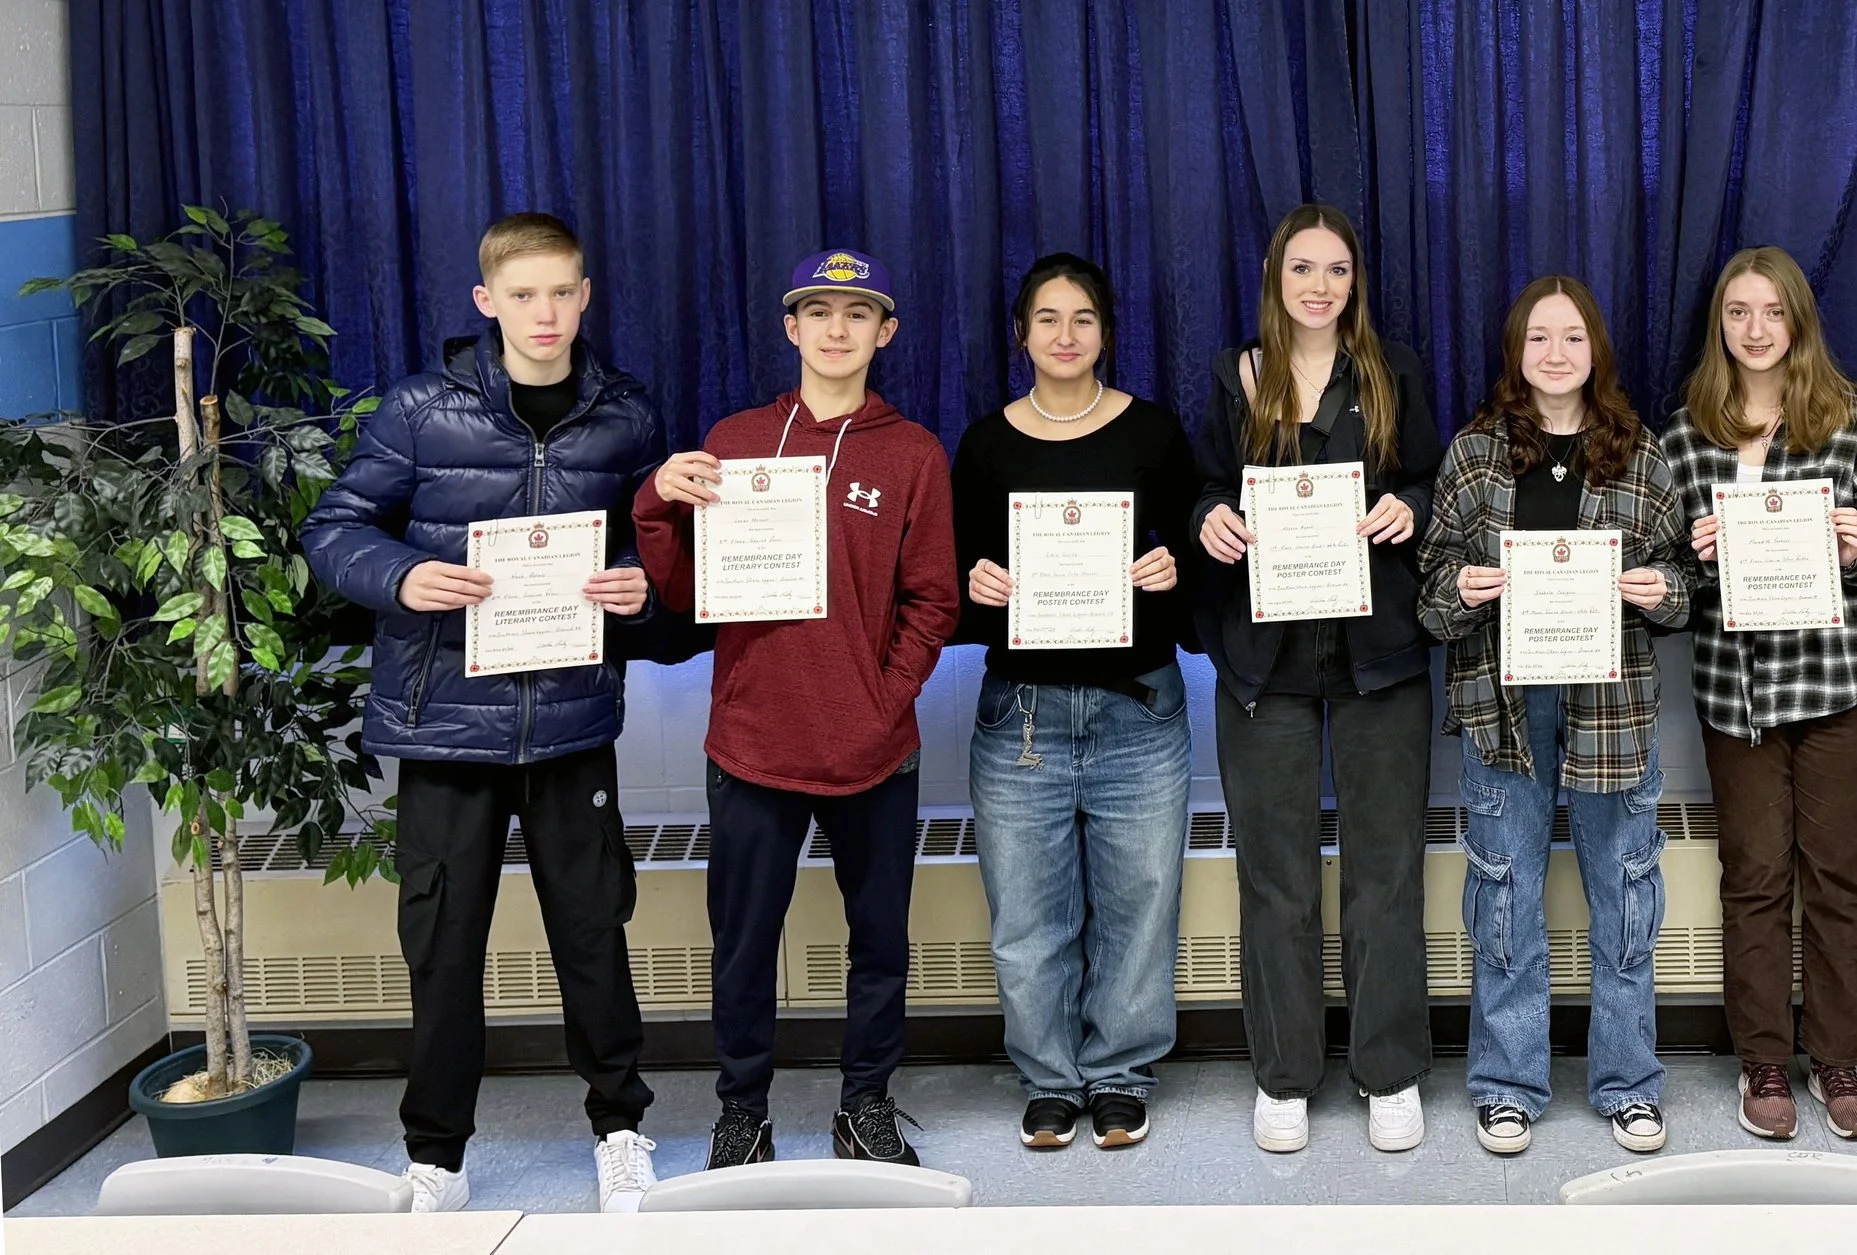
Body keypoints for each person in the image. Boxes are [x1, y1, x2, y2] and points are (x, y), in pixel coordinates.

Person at [303, 212, 667, 1213]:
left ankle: (622, 1129)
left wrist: (641, 585)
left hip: (571, 726)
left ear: (585, 295)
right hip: (443, 727)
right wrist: (405, 573)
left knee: (593, 935)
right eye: (523, 296)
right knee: (444, 943)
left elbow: (658, 552)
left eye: (562, 293)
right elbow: (331, 527)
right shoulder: (421, 410)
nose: (544, 314)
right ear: (485, 302)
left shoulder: (627, 413)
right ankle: (437, 1156)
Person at [634, 248, 958, 1169]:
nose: (836, 329)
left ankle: (865, 1105)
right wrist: (655, 504)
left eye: (857, 316)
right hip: (752, 744)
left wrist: (881, 695)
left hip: (873, 749)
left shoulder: (913, 453)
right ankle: (743, 1113)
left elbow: (934, 600)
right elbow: (693, 591)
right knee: (741, 948)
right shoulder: (734, 443)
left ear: (885, 332)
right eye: (818, 313)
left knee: (880, 944)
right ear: (791, 328)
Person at [1417, 276, 1690, 1156]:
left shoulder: (1641, 454)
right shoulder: (1473, 454)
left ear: (1596, 349)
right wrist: (1459, 587)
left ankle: (1628, 1083)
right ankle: (1508, 1082)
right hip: (1503, 703)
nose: (1557, 353)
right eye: (1539, 337)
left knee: (1627, 892)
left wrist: (1661, 592)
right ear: (1515, 352)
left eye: (1573, 337)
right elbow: (1428, 589)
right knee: (1503, 891)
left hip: (1613, 706)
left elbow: (1686, 581)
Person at [1192, 203, 1443, 1154]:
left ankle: (1388, 1070)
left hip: (1378, 657)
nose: (1320, 286)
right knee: (1278, 880)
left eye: (1337, 270)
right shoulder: (1236, 374)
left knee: (1385, 873)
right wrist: (1210, 519)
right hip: (1269, 665)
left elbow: (1432, 479)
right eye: (1304, 268)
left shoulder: (1393, 371)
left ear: (1355, 283)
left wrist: (1407, 508)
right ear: (1276, 277)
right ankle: (1286, 1074)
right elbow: (1208, 486)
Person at [949, 253, 1199, 1150]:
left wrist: (1173, 570)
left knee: (1139, 904)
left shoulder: (1154, 434)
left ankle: (1121, 1073)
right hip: (1021, 715)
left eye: (1083, 318)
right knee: (1028, 915)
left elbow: (1201, 561)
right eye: (1047, 319)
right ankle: (1050, 1078)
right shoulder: (984, 443)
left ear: (1106, 331)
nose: (1065, 336)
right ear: (1021, 333)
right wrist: (971, 579)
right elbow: (947, 579)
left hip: (1139, 709)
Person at [1659, 245, 1857, 1141]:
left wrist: (1854, 547)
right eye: (1737, 313)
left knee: (1837, 879)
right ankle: (1763, 1061)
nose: (1755, 330)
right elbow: (1670, 578)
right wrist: (1695, 552)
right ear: (1719, 324)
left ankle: (1838, 1061)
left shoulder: (1850, 422)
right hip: (1738, 693)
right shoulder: (1686, 432)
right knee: (1754, 878)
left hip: (1839, 686)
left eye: (1771, 312)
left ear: (1798, 321)